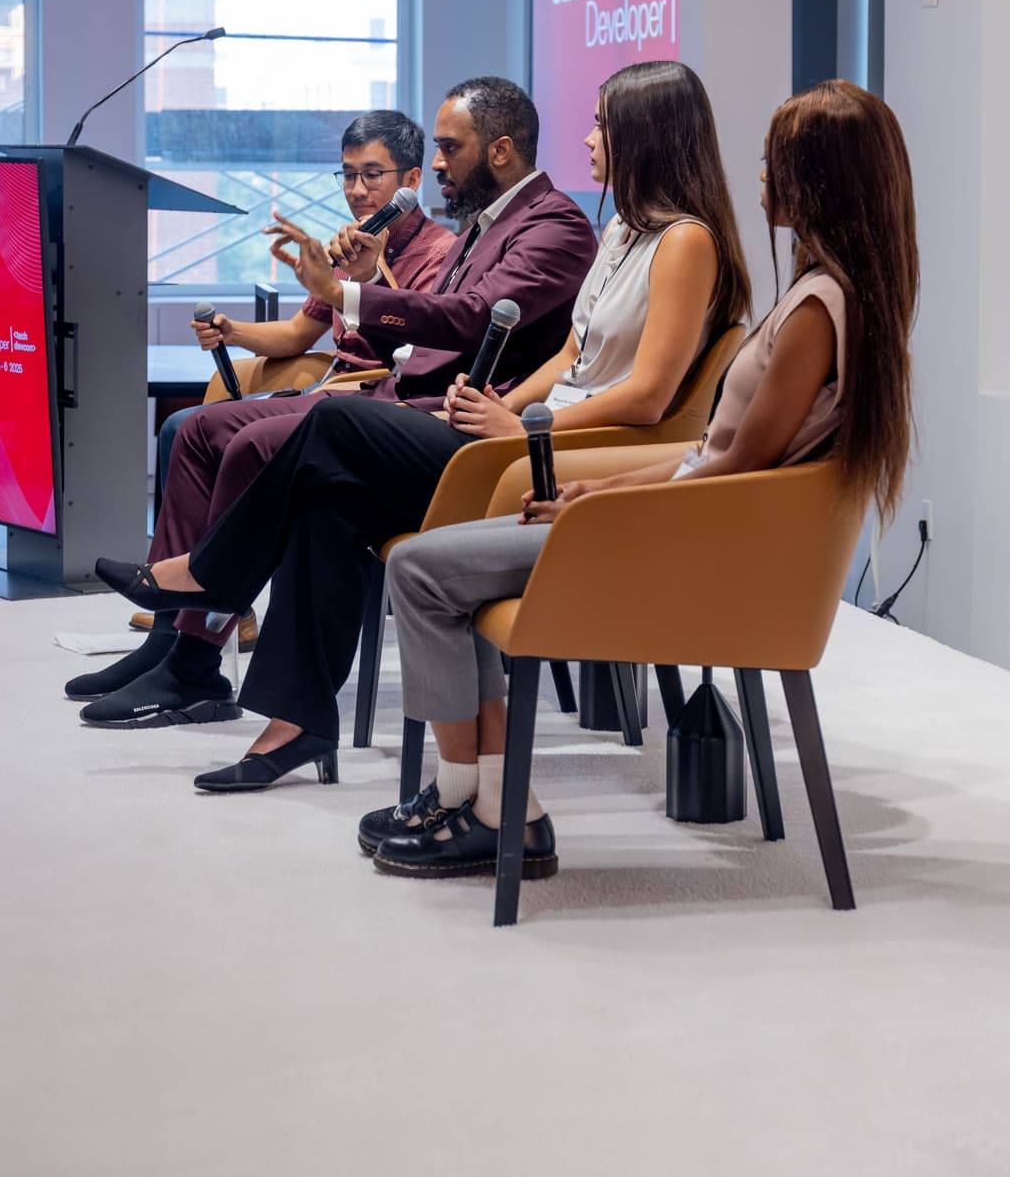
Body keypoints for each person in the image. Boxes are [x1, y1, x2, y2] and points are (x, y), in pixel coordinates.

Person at [103, 60, 753, 795]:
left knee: (335, 423)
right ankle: (294, 722)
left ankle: (214, 574)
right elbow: (573, 356)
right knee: (326, 499)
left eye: (603, 123)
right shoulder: (623, 233)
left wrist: (519, 424)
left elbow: (648, 394)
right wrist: (498, 402)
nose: (587, 136)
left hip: (548, 453)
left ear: (647, 134)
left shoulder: (683, 241)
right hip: (513, 429)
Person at [364, 78, 919, 880]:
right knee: (438, 562)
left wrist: (605, 501)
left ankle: (477, 803)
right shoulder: (830, 295)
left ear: (821, 179)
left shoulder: (812, 312)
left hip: (689, 544)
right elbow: (715, 458)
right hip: (679, 521)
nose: (759, 177)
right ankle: (487, 805)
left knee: (420, 567)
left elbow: (729, 472)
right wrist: (601, 492)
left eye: (776, 162)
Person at [84, 76, 599, 730]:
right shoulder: (485, 225)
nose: (437, 163)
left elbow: (464, 323)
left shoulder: (552, 226)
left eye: (446, 147)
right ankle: (180, 645)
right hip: (402, 398)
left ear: (498, 151)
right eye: (349, 175)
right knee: (200, 430)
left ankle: (198, 629)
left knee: (264, 445)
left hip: (439, 418)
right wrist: (349, 287)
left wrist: (354, 291)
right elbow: (438, 327)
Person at [65, 109, 453, 705]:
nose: (355, 190)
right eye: (346, 175)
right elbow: (298, 335)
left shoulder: (439, 251)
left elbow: (412, 351)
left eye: (371, 175)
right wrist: (233, 331)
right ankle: (169, 636)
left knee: (224, 438)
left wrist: (374, 273)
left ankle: (194, 648)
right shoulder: (348, 245)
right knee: (189, 429)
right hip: (329, 389)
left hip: (371, 402)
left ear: (411, 178)